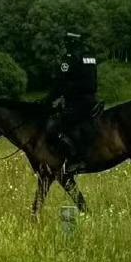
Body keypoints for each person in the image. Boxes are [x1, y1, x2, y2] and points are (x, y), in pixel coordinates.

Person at [45, 32, 100, 173]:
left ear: (70, 43)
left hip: (77, 100)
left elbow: (61, 81)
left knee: (58, 125)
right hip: (91, 98)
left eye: (66, 42)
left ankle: (76, 159)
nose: (65, 45)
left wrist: (49, 100)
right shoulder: (89, 55)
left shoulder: (70, 57)